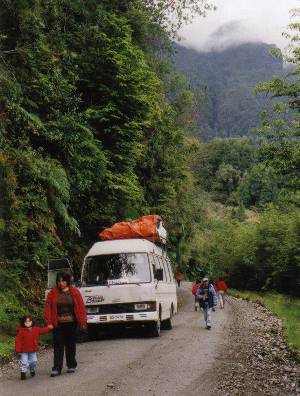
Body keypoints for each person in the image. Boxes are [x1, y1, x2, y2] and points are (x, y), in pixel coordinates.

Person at [44, 272, 87, 377]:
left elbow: (81, 307)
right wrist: (48, 322)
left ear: (68, 281)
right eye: (59, 281)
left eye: (63, 281)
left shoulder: (75, 292)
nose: (61, 283)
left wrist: (83, 322)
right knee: (58, 345)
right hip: (57, 323)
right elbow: (47, 309)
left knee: (70, 344)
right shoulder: (52, 293)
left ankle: (71, 365)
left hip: (71, 323)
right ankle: (57, 368)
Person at [15, 315, 53, 380]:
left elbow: (43, 330)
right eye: (26, 322)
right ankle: (23, 373)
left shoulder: (36, 329)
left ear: (32, 322)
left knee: (33, 361)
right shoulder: (21, 331)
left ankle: (32, 370)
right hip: (23, 351)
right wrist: (18, 350)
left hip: (32, 350)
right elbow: (18, 341)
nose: (28, 323)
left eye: (29, 321)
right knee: (24, 362)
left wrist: (48, 328)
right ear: (23, 323)